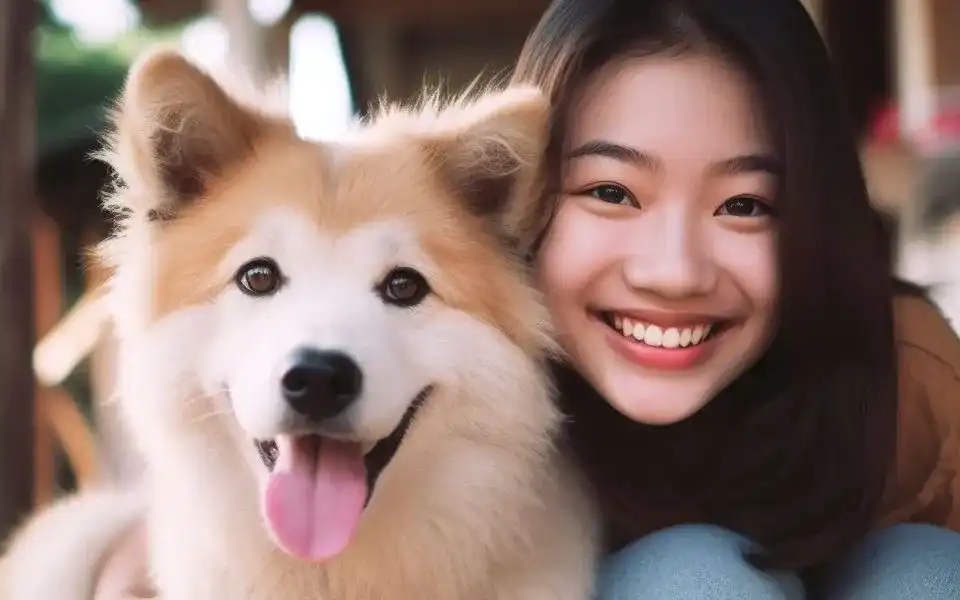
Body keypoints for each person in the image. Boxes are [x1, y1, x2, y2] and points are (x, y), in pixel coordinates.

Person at [94, 0, 960, 598]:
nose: (672, 270)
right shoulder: (513, 345)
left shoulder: (910, 383)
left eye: (744, 204)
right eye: (612, 192)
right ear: (529, 206)